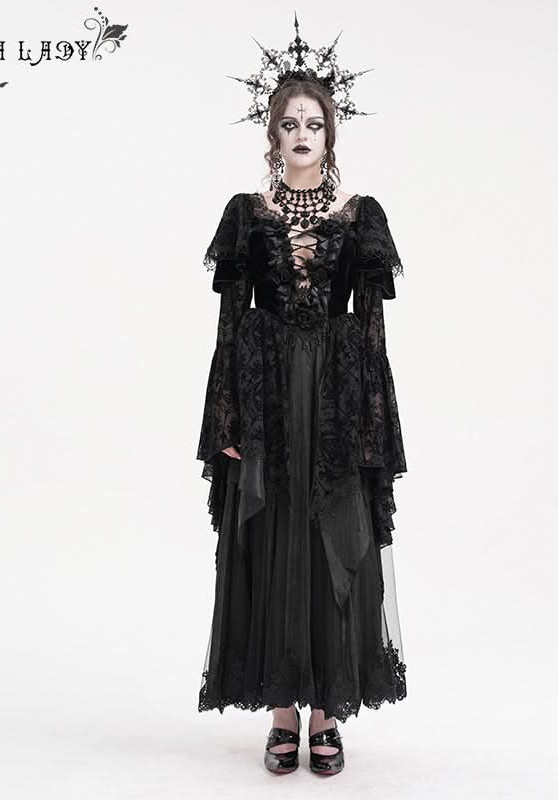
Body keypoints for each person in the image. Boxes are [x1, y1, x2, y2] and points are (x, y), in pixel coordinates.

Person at [196, 17, 408, 776]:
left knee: (334, 539)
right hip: (269, 401)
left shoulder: (362, 216)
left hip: (338, 398)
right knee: (275, 539)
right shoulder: (246, 214)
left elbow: (372, 330)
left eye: (314, 124)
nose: (301, 135)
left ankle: (328, 714)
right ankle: (283, 712)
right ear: (272, 133)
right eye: (289, 123)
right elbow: (230, 325)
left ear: (331, 133)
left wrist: (373, 424)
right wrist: (227, 413)